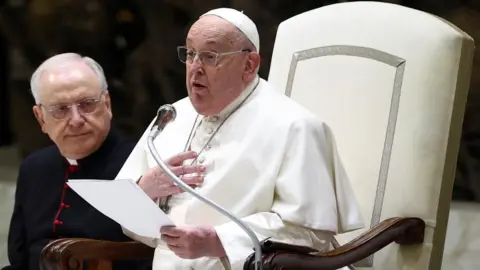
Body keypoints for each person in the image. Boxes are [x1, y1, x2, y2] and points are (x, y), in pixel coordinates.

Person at [116, 8, 364, 270]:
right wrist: (145, 188)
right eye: (190, 54)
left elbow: (311, 235)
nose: (195, 69)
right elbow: (128, 219)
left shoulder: (295, 126)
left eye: (210, 56)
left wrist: (218, 241)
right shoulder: (172, 116)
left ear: (249, 65)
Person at [2, 53, 151, 270]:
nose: (76, 120)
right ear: (40, 118)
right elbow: (19, 259)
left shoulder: (141, 164)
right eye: (60, 109)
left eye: (87, 104)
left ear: (107, 104)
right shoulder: (34, 167)